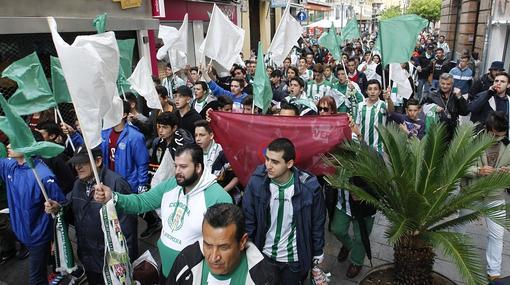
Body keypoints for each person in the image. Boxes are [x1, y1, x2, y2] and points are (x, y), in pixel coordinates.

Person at [93, 144, 232, 282]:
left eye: (183, 167)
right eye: (176, 166)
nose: (177, 171)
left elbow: (224, 248)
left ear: (198, 167)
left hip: (194, 276)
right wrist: (113, 197)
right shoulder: (171, 185)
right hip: (165, 270)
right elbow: (142, 202)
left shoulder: (218, 198)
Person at [44, 146, 138, 285]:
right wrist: (57, 207)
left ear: (98, 161)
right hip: (88, 256)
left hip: (111, 260)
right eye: (75, 163)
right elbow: (69, 206)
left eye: (82, 162)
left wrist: (126, 261)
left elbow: (128, 227)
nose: (77, 167)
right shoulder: (78, 184)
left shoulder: (116, 183)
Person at [242, 138, 326, 284]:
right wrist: (247, 247)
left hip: (293, 261)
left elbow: (317, 223)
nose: (268, 165)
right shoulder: (256, 182)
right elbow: (248, 218)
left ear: (289, 163)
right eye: (267, 159)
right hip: (264, 255)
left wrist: (317, 252)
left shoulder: (309, 188)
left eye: (275, 162)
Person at [0, 145, 65, 284]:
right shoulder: (11, 165)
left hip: (38, 235)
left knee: (36, 279)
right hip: (21, 231)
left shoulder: (43, 175)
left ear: (26, 147)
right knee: (44, 262)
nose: (8, 145)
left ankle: (60, 267)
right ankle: (57, 267)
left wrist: (56, 207)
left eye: (14, 142)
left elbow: (61, 205)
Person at [167, 203, 277, 285]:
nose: (214, 257)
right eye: (208, 245)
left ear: (242, 242)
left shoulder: (266, 277)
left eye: (224, 247)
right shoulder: (186, 260)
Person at [464, 111, 510, 281]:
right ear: (489, 130)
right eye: (496, 135)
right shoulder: (472, 140)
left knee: (498, 234)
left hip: (495, 194)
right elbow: (460, 168)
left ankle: (494, 272)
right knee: (460, 228)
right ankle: (461, 259)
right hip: (471, 193)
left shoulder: (508, 143)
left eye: (502, 135)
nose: (499, 138)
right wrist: (478, 171)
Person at [101, 101, 149, 194]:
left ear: (123, 115)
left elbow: (142, 163)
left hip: (128, 186)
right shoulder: (105, 134)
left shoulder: (135, 136)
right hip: (109, 183)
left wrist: (142, 185)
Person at [194, 120, 240, 204]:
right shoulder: (195, 153)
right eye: (196, 135)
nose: (197, 139)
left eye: (201, 135)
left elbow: (237, 177)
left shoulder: (222, 153)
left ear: (211, 135)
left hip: (222, 199)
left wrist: (221, 192)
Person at [422, 73, 469, 141]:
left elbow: (465, 112)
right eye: (443, 83)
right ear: (439, 83)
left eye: (448, 84)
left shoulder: (456, 96)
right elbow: (422, 108)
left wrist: (460, 97)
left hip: (452, 131)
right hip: (436, 130)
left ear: (452, 84)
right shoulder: (432, 95)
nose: (445, 86)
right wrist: (434, 107)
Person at [354, 79, 394, 153]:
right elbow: (356, 125)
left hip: (379, 149)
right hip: (363, 148)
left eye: (375, 89)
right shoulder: (360, 106)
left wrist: (388, 99)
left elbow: (391, 111)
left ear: (379, 92)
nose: (372, 92)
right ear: (366, 91)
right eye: (370, 89)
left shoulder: (383, 105)